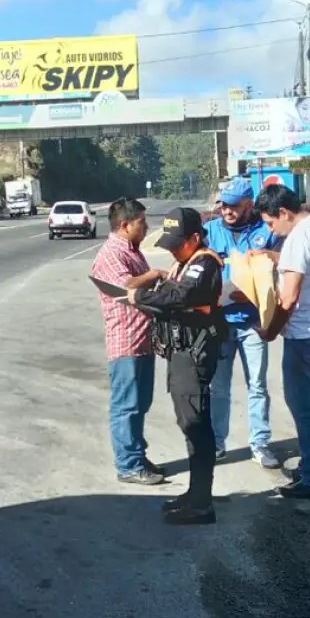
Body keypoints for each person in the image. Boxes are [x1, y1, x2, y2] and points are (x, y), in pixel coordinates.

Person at [128, 208, 225, 524]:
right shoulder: (185, 261)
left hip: (193, 355)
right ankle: (196, 494)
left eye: (177, 242)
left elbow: (179, 295)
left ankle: (202, 504)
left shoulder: (205, 263)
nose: (171, 248)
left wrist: (142, 296)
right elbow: (167, 294)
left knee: (197, 425)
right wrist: (152, 294)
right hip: (180, 354)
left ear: (195, 238)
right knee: (188, 423)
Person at [255, 183, 310, 501]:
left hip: (305, 338)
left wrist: (271, 330)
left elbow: (288, 298)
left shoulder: (297, 239)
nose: (270, 228)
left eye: (270, 222)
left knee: (306, 410)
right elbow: (305, 264)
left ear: (284, 213)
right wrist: (271, 257)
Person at [202, 176, 282, 469]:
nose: (227, 211)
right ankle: (217, 443)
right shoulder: (210, 231)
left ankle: (260, 443)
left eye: (234, 206)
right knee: (218, 387)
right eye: (224, 205)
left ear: (249, 204)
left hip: (253, 324)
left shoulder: (266, 232)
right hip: (221, 322)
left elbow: (283, 267)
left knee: (258, 385)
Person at [91, 197, 165, 486]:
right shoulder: (112, 254)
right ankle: (128, 465)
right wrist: (154, 274)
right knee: (127, 405)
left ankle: (136, 454)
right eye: (142, 223)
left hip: (143, 339)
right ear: (124, 225)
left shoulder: (132, 251)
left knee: (141, 403)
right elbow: (124, 285)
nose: (146, 228)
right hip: (126, 341)